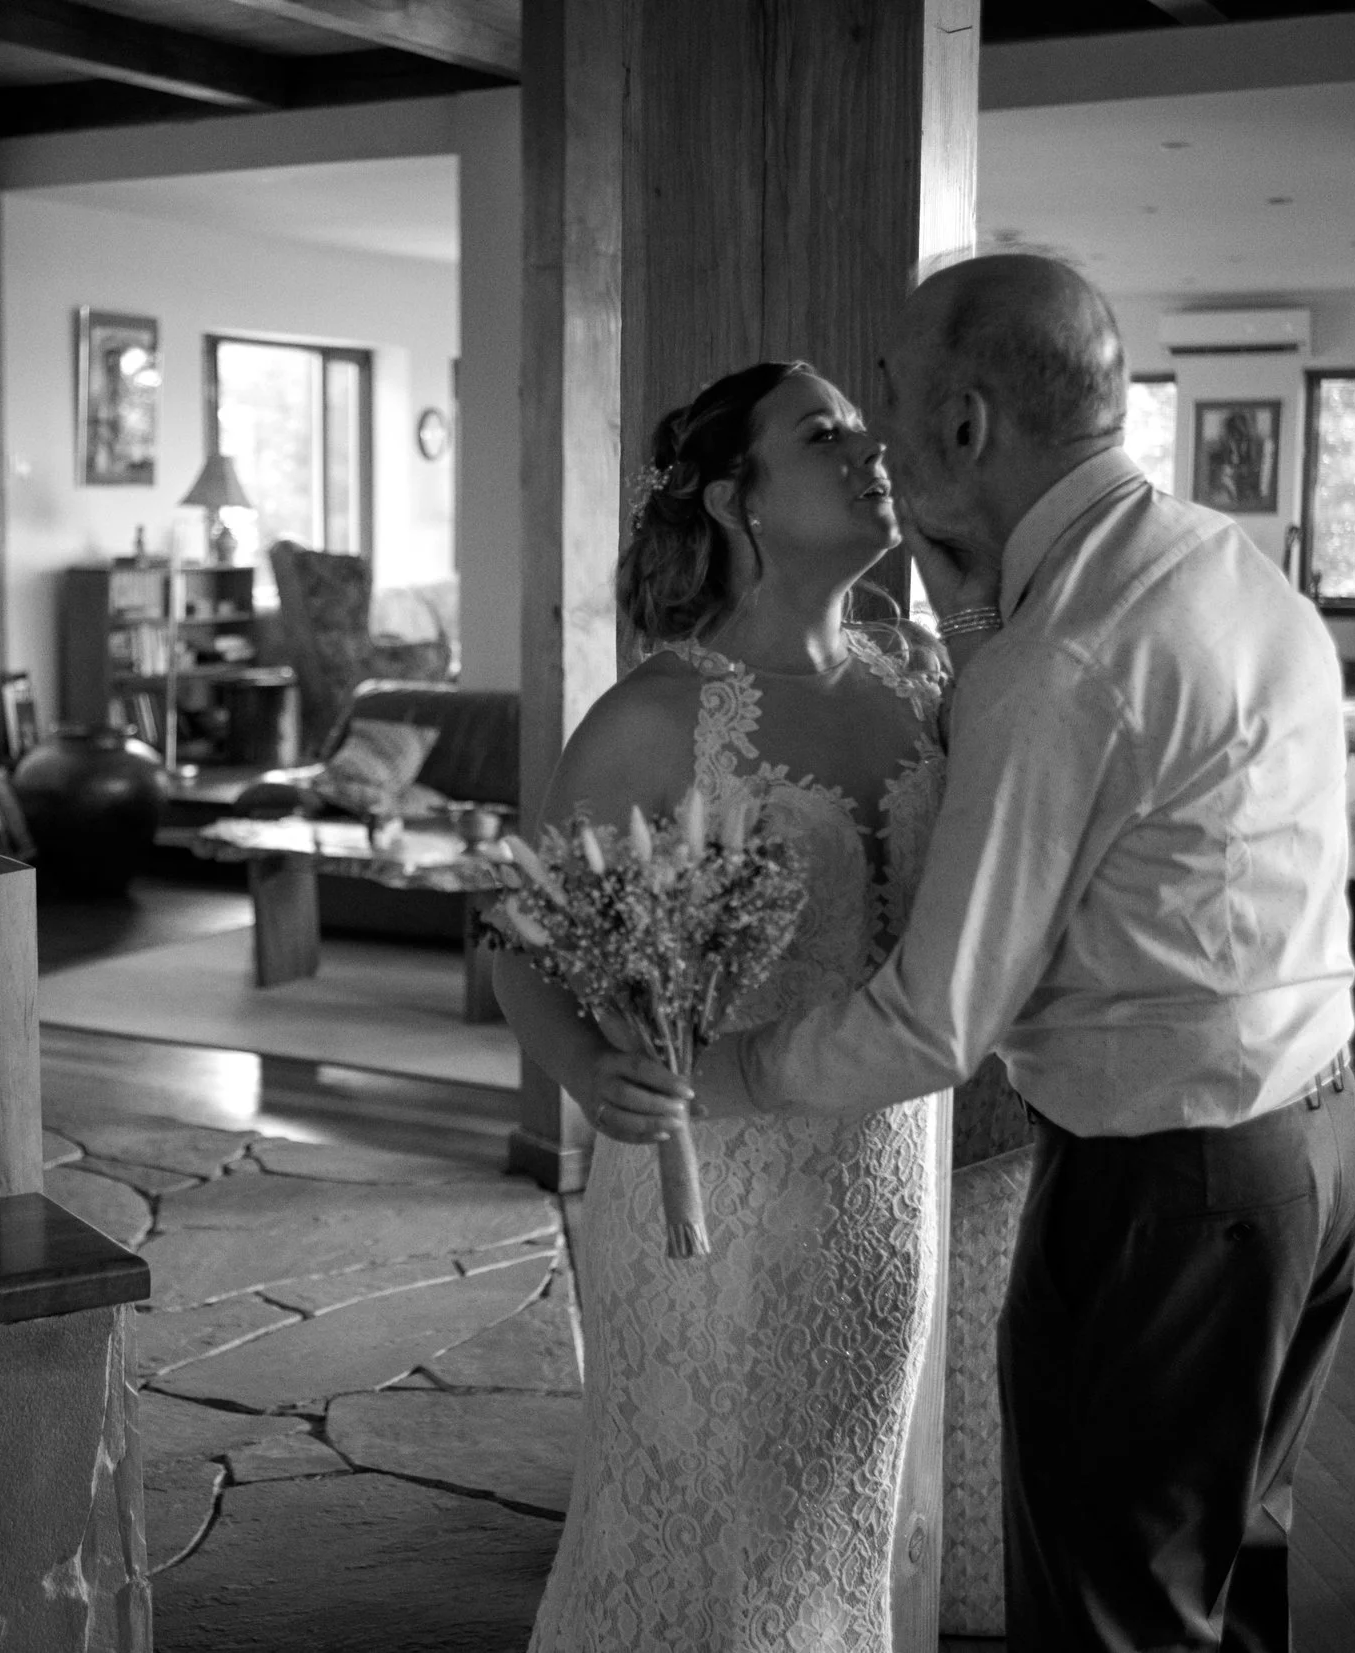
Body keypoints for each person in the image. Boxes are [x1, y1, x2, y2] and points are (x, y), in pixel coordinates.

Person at [594, 254, 1355, 1653]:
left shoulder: (1050, 661)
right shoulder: (1211, 557)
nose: (874, 444)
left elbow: (934, 1024)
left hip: (1167, 1193)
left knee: (1113, 1614)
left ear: (963, 424)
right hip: (1314, 1147)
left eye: (884, 402)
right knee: (1229, 1565)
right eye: (833, 426)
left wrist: (722, 1076)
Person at [500, 361, 952, 1652]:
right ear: (734, 497)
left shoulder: (924, 681)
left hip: (888, 1182)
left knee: (830, 1532)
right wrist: (593, 1074)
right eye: (824, 434)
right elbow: (525, 947)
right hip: (716, 1199)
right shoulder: (656, 718)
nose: (869, 450)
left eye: (864, 427)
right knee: (702, 1544)